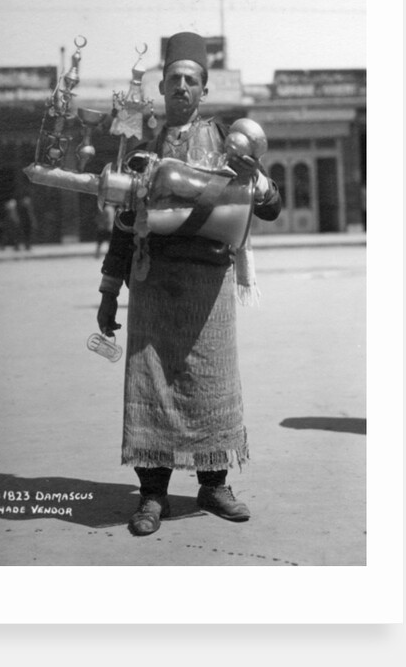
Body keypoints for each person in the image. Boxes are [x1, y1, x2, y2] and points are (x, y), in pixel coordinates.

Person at [96, 31, 282, 536]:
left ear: (203, 90)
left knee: (210, 383)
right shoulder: (141, 147)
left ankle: (214, 485)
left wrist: (256, 178)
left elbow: (270, 205)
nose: (181, 86)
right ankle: (153, 495)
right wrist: (109, 291)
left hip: (209, 288)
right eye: (174, 78)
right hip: (152, 282)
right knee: (150, 383)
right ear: (161, 86)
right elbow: (122, 224)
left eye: (191, 80)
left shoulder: (228, 140)